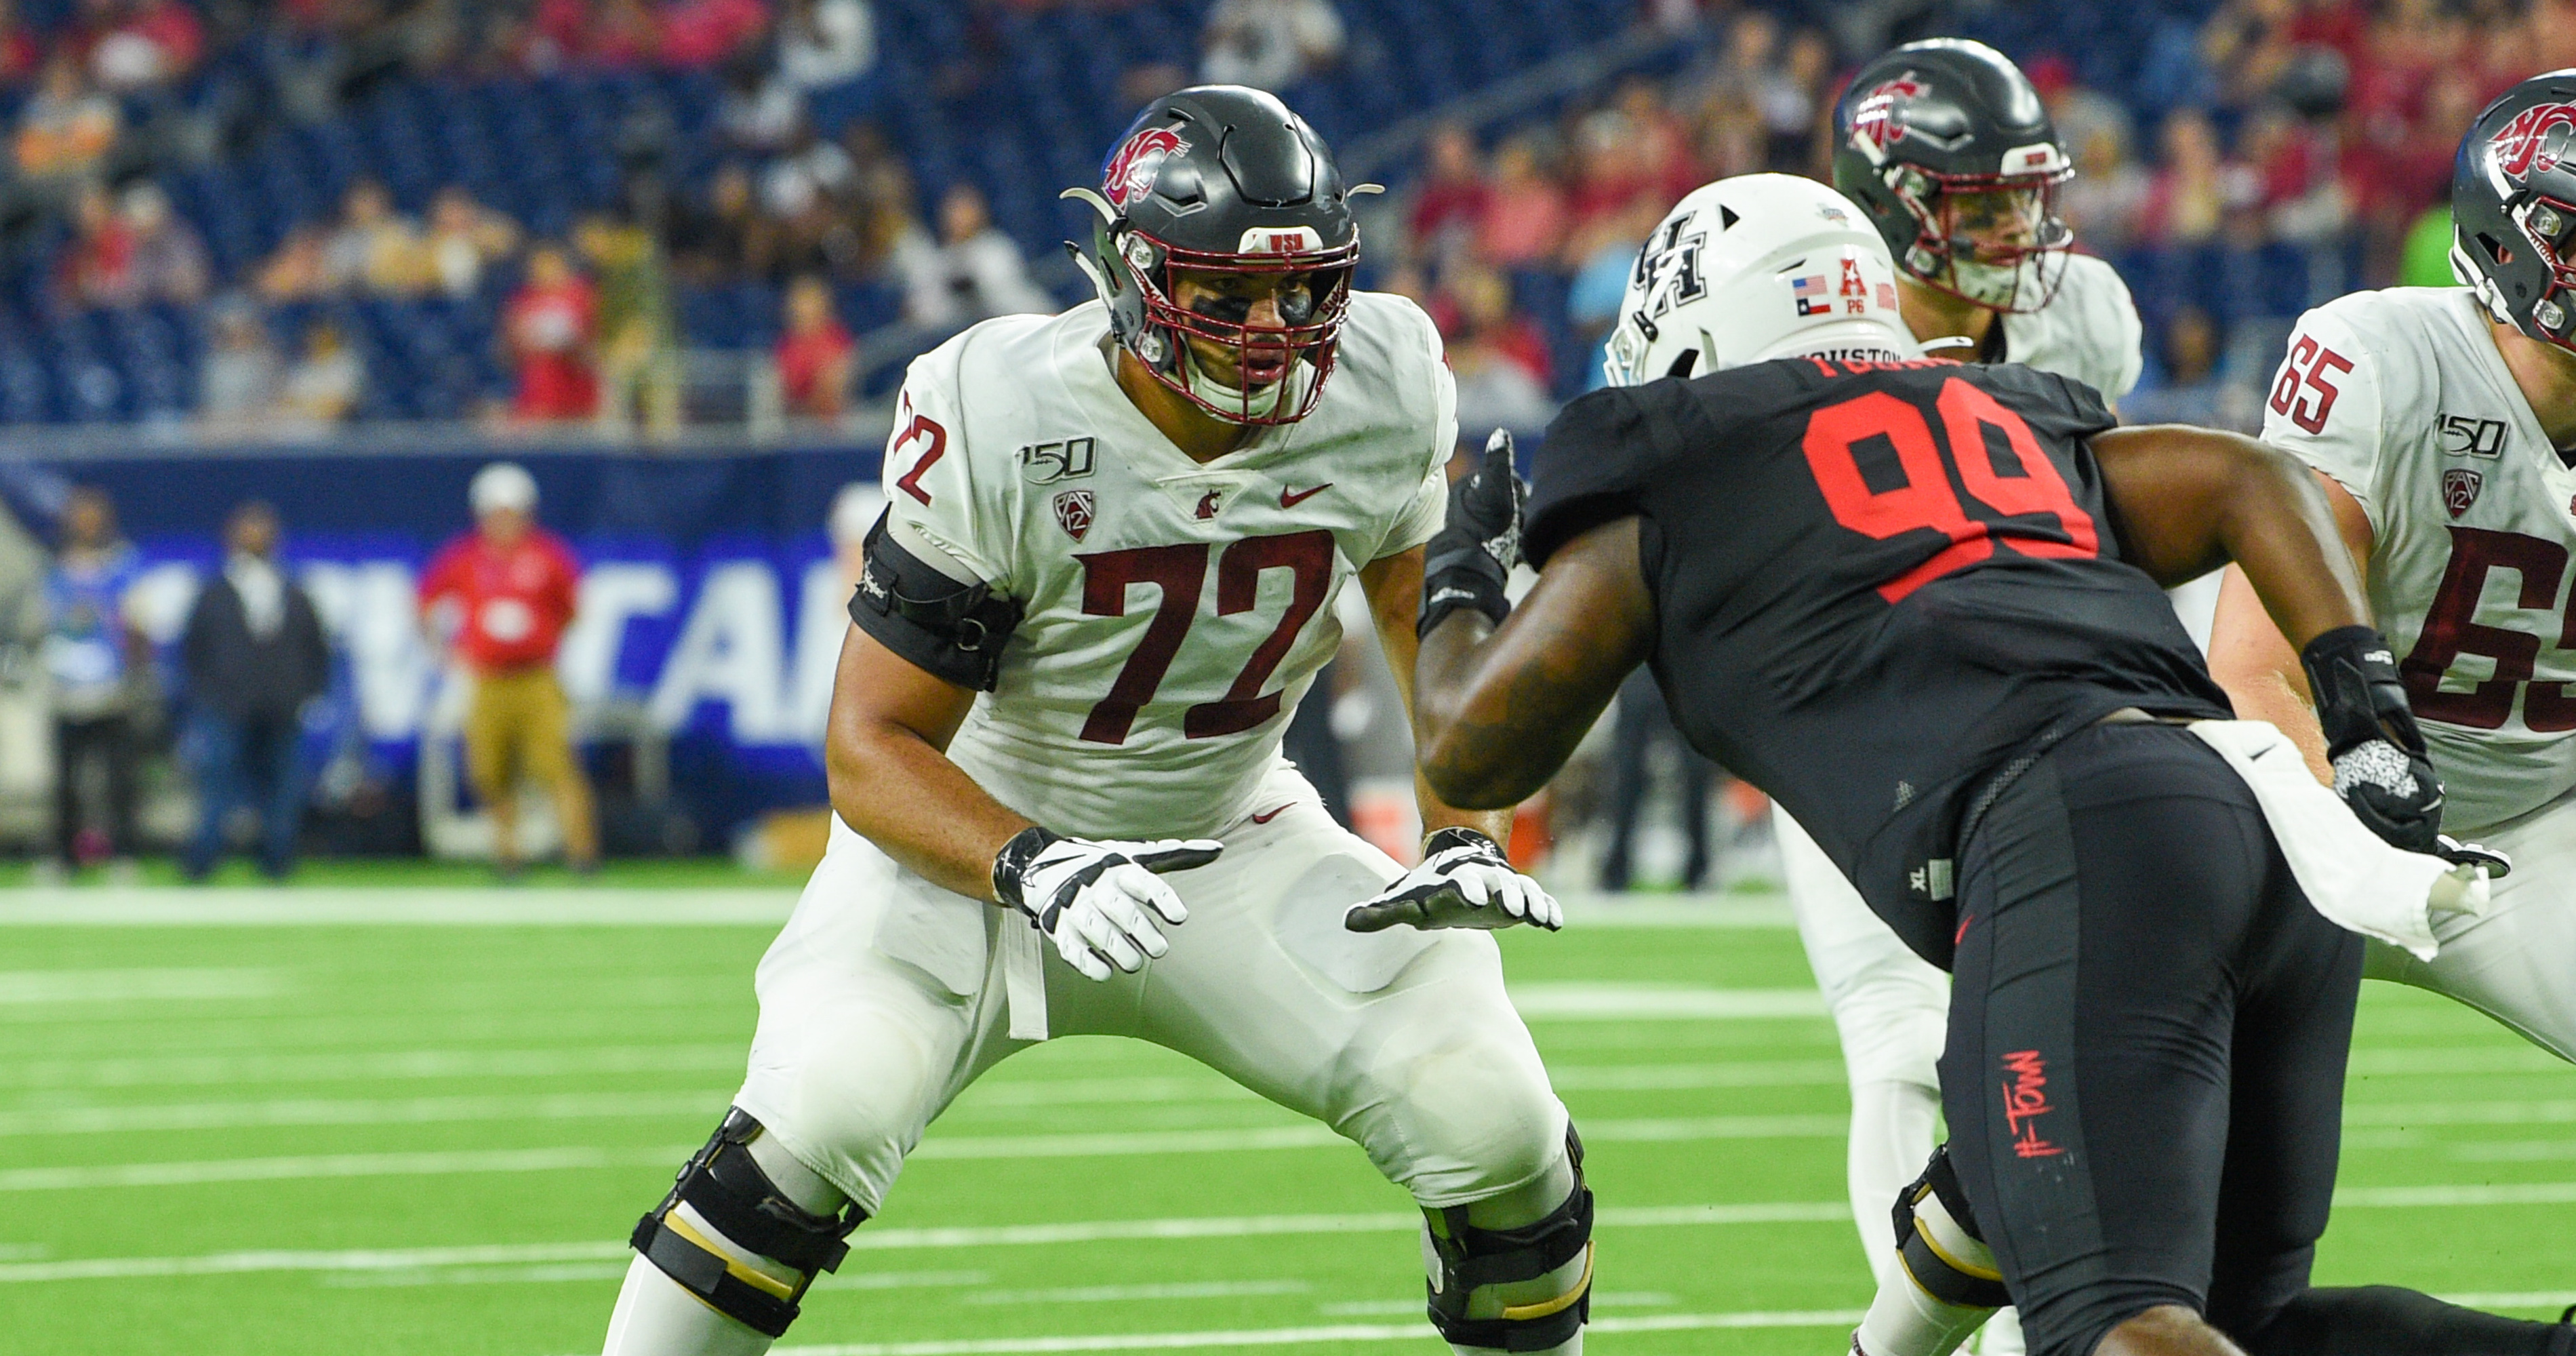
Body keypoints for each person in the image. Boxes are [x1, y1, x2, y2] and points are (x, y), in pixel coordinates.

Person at [1408, 170, 2556, 1356]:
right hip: (2271, 824)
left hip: (2080, 835)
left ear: (1687, 334)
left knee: (2115, 1328)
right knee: (2242, 1324)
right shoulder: (2000, 411)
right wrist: (2361, 700)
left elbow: (1470, 746)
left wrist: (1459, 577)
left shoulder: (1683, 474)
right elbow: (2246, 477)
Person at [601, 87, 1586, 1356]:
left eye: (1298, 293)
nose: (1268, 332)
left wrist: (1462, 833)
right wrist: (1031, 860)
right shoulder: (1004, 406)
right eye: (1222, 295)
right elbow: (870, 746)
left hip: (1231, 832)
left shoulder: (1386, 377)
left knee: (1496, 1117)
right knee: (823, 1109)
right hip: (973, 845)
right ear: (1130, 271)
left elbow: (1422, 622)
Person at [1697, 42, 2150, 1342]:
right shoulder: (1790, 314)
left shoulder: (2085, 317)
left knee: (2070, 1037)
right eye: (1981, 203)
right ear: (1894, 200)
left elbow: (2094, 509)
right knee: (1899, 1041)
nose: (2020, 229)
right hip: (1854, 709)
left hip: (2038, 715)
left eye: (2024, 197)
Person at [2207, 71, 2576, 1064]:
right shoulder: (2384, 356)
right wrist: (2346, 815)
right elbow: (2256, 669)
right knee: (2083, 1112)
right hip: (2316, 798)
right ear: (2517, 241)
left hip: (2541, 834)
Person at [417, 462, 597, 879]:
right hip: (488, 679)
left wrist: (543, 641)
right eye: (496, 512)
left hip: (537, 678)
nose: (504, 521)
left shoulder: (547, 555)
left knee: (556, 766)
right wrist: (447, 654)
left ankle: (582, 855)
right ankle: (508, 857)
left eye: (511, 512)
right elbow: (426, 603)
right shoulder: (464, 558)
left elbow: (573, 608)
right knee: (490, 772)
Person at [179, 502, 327, 881]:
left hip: (282, 706)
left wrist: (306, 693)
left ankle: (277, 864)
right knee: (219, 787)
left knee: (283, 791)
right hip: (228, 707)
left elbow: (316, 647)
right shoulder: (214, 592)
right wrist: (210, 696)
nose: (256, 537)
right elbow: (193, 649)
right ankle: (203, 863)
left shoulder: (292, 590)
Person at [39, 486, 144, 881]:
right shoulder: (54, 566)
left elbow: (137, 622)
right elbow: (43, 619)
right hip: (66, 687)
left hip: (111, 688)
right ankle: (63, 857)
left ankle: (123, 856)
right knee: (67, 780)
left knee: (118, 779)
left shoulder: (122, 564)